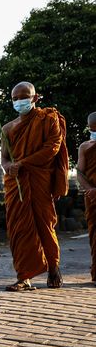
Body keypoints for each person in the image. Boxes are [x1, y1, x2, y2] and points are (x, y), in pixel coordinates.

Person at [1, 81, 68, 291]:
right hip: (17, 184)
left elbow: (52, 148)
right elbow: (4, 159)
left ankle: (53, 267)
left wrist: (22, 163)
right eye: (15, 98)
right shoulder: (8, 128)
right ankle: (24, 276)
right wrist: (9, 166)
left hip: (39, 180)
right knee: (19, 229)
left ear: (35, 98)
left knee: (45, 226)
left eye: (24, 97)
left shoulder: (48, 118)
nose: (20, 101)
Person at [76, 112, 96, 283]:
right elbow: (80, 172)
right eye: (92, 129)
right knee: (95, 233)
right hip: (92, 197)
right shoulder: (84, 147)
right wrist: (90, 188)